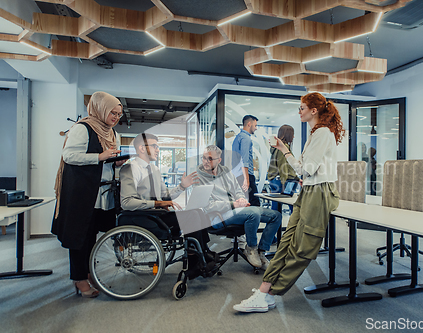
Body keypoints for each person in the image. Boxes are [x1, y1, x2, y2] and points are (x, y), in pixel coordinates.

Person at [233, 92, 345, 313]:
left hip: (319, 193)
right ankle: (264, 291)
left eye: (302, 107)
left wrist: (284, 150)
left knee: (302, 248)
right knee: (286, 244)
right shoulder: (316, 133)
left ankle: (270, 294)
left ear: (314, 110)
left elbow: (305, 169)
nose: (299, 111)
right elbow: (307, 169)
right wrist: (288, 155)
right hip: (310, 190)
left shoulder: (322, 133)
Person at [52, 91, 125, 298]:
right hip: (82, 194)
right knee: (80, 238)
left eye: (119, 114)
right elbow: (69, 155)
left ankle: (88, 272)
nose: (115, 117)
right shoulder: (83, 128)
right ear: (101, 109)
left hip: (102, 193)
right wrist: (100, 156)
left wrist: (116, 162)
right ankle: (79, 279)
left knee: (92, 236)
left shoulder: (112, 132)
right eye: (113, 112)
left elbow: (107, 161)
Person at [119, 133, 216, 276]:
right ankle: (195, 262)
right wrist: (157, 203)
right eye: (154, 146)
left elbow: (166, 196)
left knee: (197, 212)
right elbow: (126, 203)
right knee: (192, 216)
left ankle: (203, 250)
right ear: (141, 148)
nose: (158, 150)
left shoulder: (154, 170)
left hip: (157, 214)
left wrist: (182, 187)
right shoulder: (130, 169)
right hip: (141, 217)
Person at [196, 145, 282, 269]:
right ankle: (251, 248)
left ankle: (261, 251)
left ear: (219, 160)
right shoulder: (199, 177)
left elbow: (237, 190)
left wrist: (241, 199)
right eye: (204, 158)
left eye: (210, 159)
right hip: (217, 216)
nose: (205, 161)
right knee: (253, 214)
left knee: (276, 216)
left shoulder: (226, 172)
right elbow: (207, 206)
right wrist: (233, 204)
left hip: (235, 210)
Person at [267, 124, 300, 213]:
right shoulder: (283, 148)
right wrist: (283, 184)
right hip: (283, 181)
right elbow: (283, 167)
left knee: (276, 208)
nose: (293, 136)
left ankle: (276, 226)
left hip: (275, 179)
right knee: (293, 207)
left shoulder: (276, 148)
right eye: (292, 134)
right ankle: (294, 226)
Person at [232, 115, 260, 207]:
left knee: (244, 203)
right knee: (255, 203)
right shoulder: (246, 138)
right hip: (245, 176)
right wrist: (246, 179)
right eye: (255, 125)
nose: (256, 128)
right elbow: (244, 160)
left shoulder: (238, 137)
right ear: (249, 124)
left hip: (238, 175)